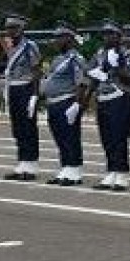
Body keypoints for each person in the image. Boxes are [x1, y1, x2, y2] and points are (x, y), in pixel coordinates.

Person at [87, 20, 130, 191]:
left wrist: (119, 67)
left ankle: (121, 173)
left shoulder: (125, 54)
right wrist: (84, 101)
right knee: (106, 137)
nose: (107, 37)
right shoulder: (99, 53)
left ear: (119, 36)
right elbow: (91, 75)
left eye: (111, 34)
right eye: (105, 34)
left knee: (118, 137)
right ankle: (111, 170)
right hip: (103, 98)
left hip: (119, 98)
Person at [41, 22, 86, 186]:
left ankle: (75, 170)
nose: (56, 41)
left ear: (69, 39)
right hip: (53, 103)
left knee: (70, 138)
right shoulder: (57, 59)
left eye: (60, 38)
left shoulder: (76, 59)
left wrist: (77, 104)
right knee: (60, 138)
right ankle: (66, 167)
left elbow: (81, 83)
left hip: (67, 102)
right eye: (56, 37)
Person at [1, 13, 42, 181]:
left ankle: (31, 165)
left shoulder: (29, 46)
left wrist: (34, 95)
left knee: (28, 128)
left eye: (13, 28)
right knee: (17, 128)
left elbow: (37, 71)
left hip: (26, 89)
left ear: (21, 29)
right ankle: (22, 162)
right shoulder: (13, 48)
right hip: (14, 89)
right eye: (8, 28)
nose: (10, 31)